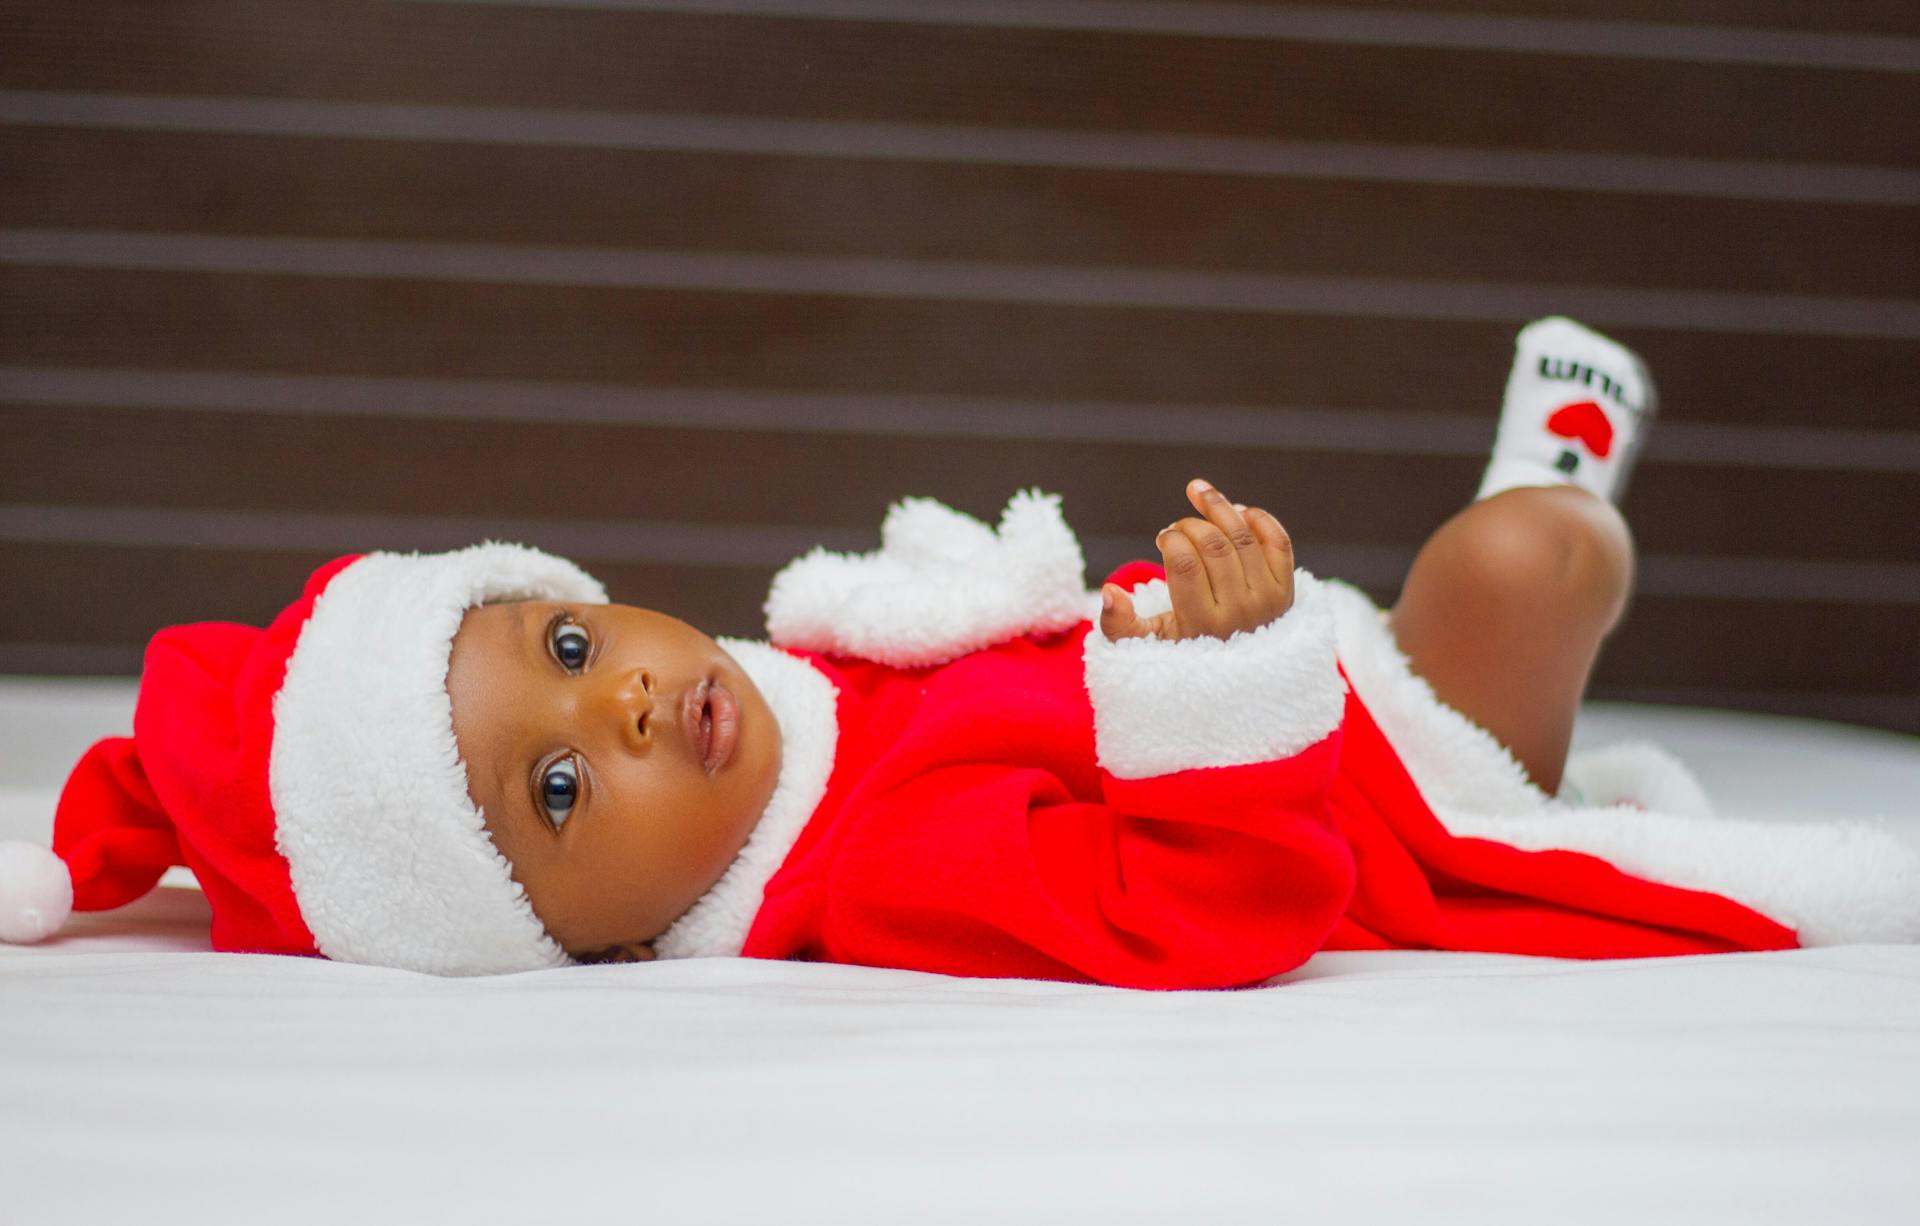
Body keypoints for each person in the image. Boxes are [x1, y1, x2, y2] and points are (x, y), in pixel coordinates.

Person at [4, 319, 1914, 983]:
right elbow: (1203, 916)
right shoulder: (875, 871)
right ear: (558, 938)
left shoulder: (798, 687)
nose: (627, 698)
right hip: (1364, 789)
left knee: (1465, 595)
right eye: (561, 785)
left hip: (1316, 668)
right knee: (1518, 565)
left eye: (574, 641)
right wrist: (1221, 685)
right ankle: (1557, 477)